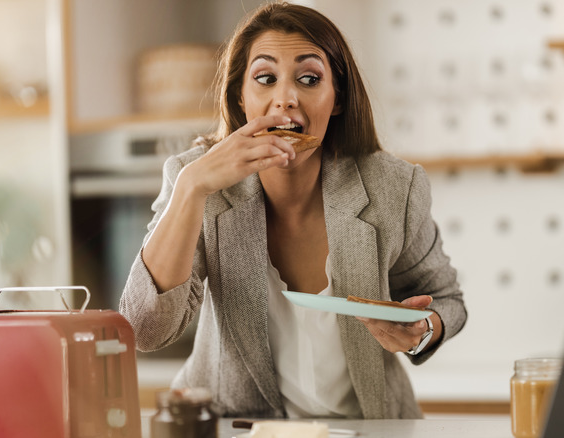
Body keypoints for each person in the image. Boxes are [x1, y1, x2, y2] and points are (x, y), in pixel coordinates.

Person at [119, 2, 466, 420]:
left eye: (309, 79)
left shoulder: (392, 187)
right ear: (241, 97)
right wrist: (192, 187)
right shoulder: (195, 181)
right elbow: (143, 330)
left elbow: (446, 300)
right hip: (236, 427)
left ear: (336, 98)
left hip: (368, 428)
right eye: (265, 79)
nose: (285, 98)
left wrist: (422, 329)